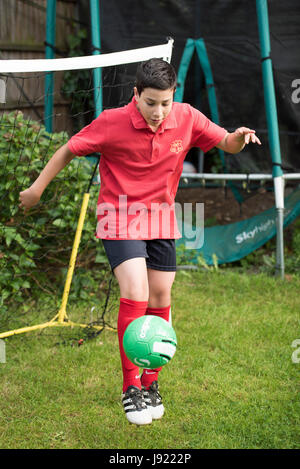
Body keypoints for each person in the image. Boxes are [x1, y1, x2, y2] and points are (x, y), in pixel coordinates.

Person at [19, 58, 261, 426]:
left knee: (161, 297)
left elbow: (225, 142)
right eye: (150, 103)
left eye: (165, 103)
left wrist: (238, 139)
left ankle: (151, 384)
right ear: (136, 95)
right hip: (117, 215)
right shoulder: (112, 122)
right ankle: (130, 388)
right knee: (136, 292)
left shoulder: (187, 117)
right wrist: (36, 190)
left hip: (161, 217)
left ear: (174, 96)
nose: (158, 112)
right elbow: (69, 148)